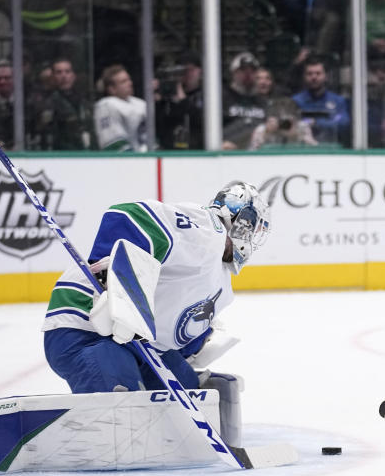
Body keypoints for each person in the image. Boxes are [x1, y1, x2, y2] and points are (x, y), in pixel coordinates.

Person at [41, 182, 270, 444]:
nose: (252, 238)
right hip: (85, 326)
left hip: (141, 346)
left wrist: (195, 350)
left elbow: (176, 333)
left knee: (194, 391)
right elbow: (129, 216)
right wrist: (114, 280)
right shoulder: (207, 229)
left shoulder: (222, 286)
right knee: (121, 390)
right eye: (254, 228)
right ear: (242, 222)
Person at [35, 57, 93, 150]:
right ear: (53, 77)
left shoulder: (84, 102)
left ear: (73, 75)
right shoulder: (47, 104)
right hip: (58, 155)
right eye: (59, 72)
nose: (64, 76)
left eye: (67, 71)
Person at [291, 55, 350, 146]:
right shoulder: (296, 101)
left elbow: (343, 124)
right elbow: (291, 127)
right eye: (309, 74)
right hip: (302, 150)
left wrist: (316, 123)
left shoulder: (338, 101)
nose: (314, 77)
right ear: (304, 77)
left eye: (318, 73)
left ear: (326, 76)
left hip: (332, 150)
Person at [156, 51, 204, 150]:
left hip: (198, 152)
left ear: (200, 71)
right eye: (183, 70)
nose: (187, 74)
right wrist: (157, 102)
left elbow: (203, 121)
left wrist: (183, 100)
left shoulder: (208, 95)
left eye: (191, 69)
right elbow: (158, 127)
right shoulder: (167, 96)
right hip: (170, 151)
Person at [93, 65, 148, 151]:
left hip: (143, 160)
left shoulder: (141, 104)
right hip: (121, 162)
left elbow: (148, 138)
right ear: (112, 89)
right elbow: (114, 145)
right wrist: (134, 161)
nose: (130, 83)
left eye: (129, 79)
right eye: (123, 81)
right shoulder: (106, 106)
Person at [223, 52, 267, 151]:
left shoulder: (263, 101)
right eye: (243, 70)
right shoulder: (222, 98)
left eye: (252, 71)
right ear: (233, 73)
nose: (248, 74)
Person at [249, 98, 317, 149]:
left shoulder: (302, 127)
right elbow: (250, 155)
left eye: (288, 121)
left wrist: (301, 136)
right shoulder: (262, 130)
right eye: (282, 121)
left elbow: (316, 151)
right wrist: (266, 135)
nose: (285, 125)